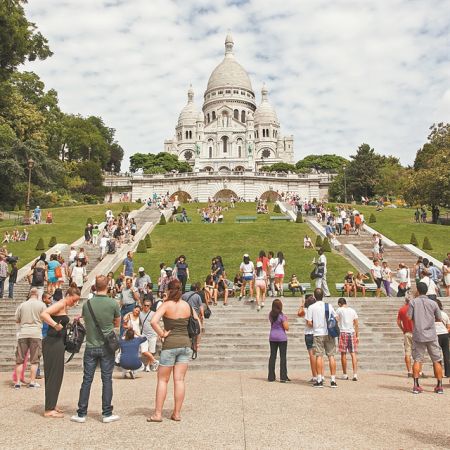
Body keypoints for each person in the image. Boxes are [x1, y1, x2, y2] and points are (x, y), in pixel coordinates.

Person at [149, 279, 200, 422]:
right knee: (179, 380)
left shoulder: (167, 305)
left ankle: (158, 414)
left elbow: (153, 321)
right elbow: (198, 324)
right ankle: (176, 413)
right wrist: (195, 343)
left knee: (163, 380)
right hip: (185, 345)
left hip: (170, 345)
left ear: (169, 290)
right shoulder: (187, 306)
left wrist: (162, 333)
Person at [71, 275, 121, 423]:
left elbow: (86, 321)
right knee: (107, 380)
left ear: (95, 286)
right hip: (106, 347)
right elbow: (117, 323)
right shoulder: (113, 303)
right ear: (107, 286)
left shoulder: (87, 304)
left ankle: (81, 413)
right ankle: (106, 413)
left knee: (87, 379)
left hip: (91, 345)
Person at [40, 287, 81, 418]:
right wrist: (54, 325)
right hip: (53, 343)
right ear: (68, 295)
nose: (74, 303)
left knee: (56, 374)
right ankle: (49, 409)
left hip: (57, 342)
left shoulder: (64, 305)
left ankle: (52, 404)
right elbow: (44, 314)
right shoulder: (60, 303)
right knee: (54, 374)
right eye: (73, 300)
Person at [407, 282, 443, 394]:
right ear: (427, 291)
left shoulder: (413, 302)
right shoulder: (433, 303)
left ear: (417, 290)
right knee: (436, 360)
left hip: (418, 334)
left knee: (417, 359)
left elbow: (409, 317)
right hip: (431, 334)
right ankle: (439, 386)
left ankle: (416, 385)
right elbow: (439, 318)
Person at [14, 288, 47, 389]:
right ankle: (32, 382)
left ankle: (18, 382)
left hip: (23, 333)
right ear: (37, 295)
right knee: (34, 360)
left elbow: (17, 319)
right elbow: (45, 317)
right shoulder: (41, 305)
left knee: (19, 360)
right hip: (36, 333)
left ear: (29, 294)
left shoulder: (22, 305)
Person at [306, 288, 337, 388]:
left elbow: (309, 322)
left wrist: (316, 325)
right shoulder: (328, 305)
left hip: (318, 333)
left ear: (314, 296)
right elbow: (336, 318)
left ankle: (319, 379)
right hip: (328, 332)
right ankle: (333, 380)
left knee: (319, 356)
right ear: (323, 295)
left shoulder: (311, 307)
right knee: (331, 356)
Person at [335, 298, 359, 381]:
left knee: (343, 354)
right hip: (351, 332)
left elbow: (336, 319)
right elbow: (356, 324)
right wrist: (357, 336)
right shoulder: (352, 310)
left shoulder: (339, 309)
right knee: (353, 353)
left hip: (343, 332)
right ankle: (355, 374)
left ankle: (345, 374)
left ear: (339, 303)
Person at [268, 299, 289, 382]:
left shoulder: (270, 314)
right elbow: (286, 328)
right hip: (281, 337)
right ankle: (283, 377)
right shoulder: (282, 316)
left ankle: (271, 376)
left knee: (272, 356)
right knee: (282, 357)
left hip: (272, 336)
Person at [298, 295, 318, 383]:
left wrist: (302, 305)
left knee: (312, 356)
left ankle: (315, 376)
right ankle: (321, 374)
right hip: (318, 333)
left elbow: (299, 313)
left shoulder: (307, 310)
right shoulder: (318, 309)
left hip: (309, 334)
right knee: (319, 355)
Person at [140, 300, 161, 372]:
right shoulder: (140, 313)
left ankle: (148, 365)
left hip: (152, 334)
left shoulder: (153, 314)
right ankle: (155, 361)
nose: (146, 307)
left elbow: (157, 324)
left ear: (150, 306)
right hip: (144, 335)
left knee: (151, 351)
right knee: (144, 351)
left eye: (147, 305)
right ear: (143, 305)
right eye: (145, 305)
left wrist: (159, 333)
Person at [397, 297, 414, 377]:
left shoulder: (402, 309)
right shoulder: (415, 308)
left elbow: (398, 322)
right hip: (416, 333)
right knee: (419, 352)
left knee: (407, 352)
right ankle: (419, 371)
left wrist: (403, 329)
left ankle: (409, 371)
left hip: (407, 332)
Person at [435, 299, 450, 378]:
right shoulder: (444, 314)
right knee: (446, 354)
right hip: (444, 335)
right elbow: (448, 326)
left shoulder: (431, 315)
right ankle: (448, 373)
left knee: (436, 355)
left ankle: (438, 373)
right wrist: (445, 331)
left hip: (436, 335)